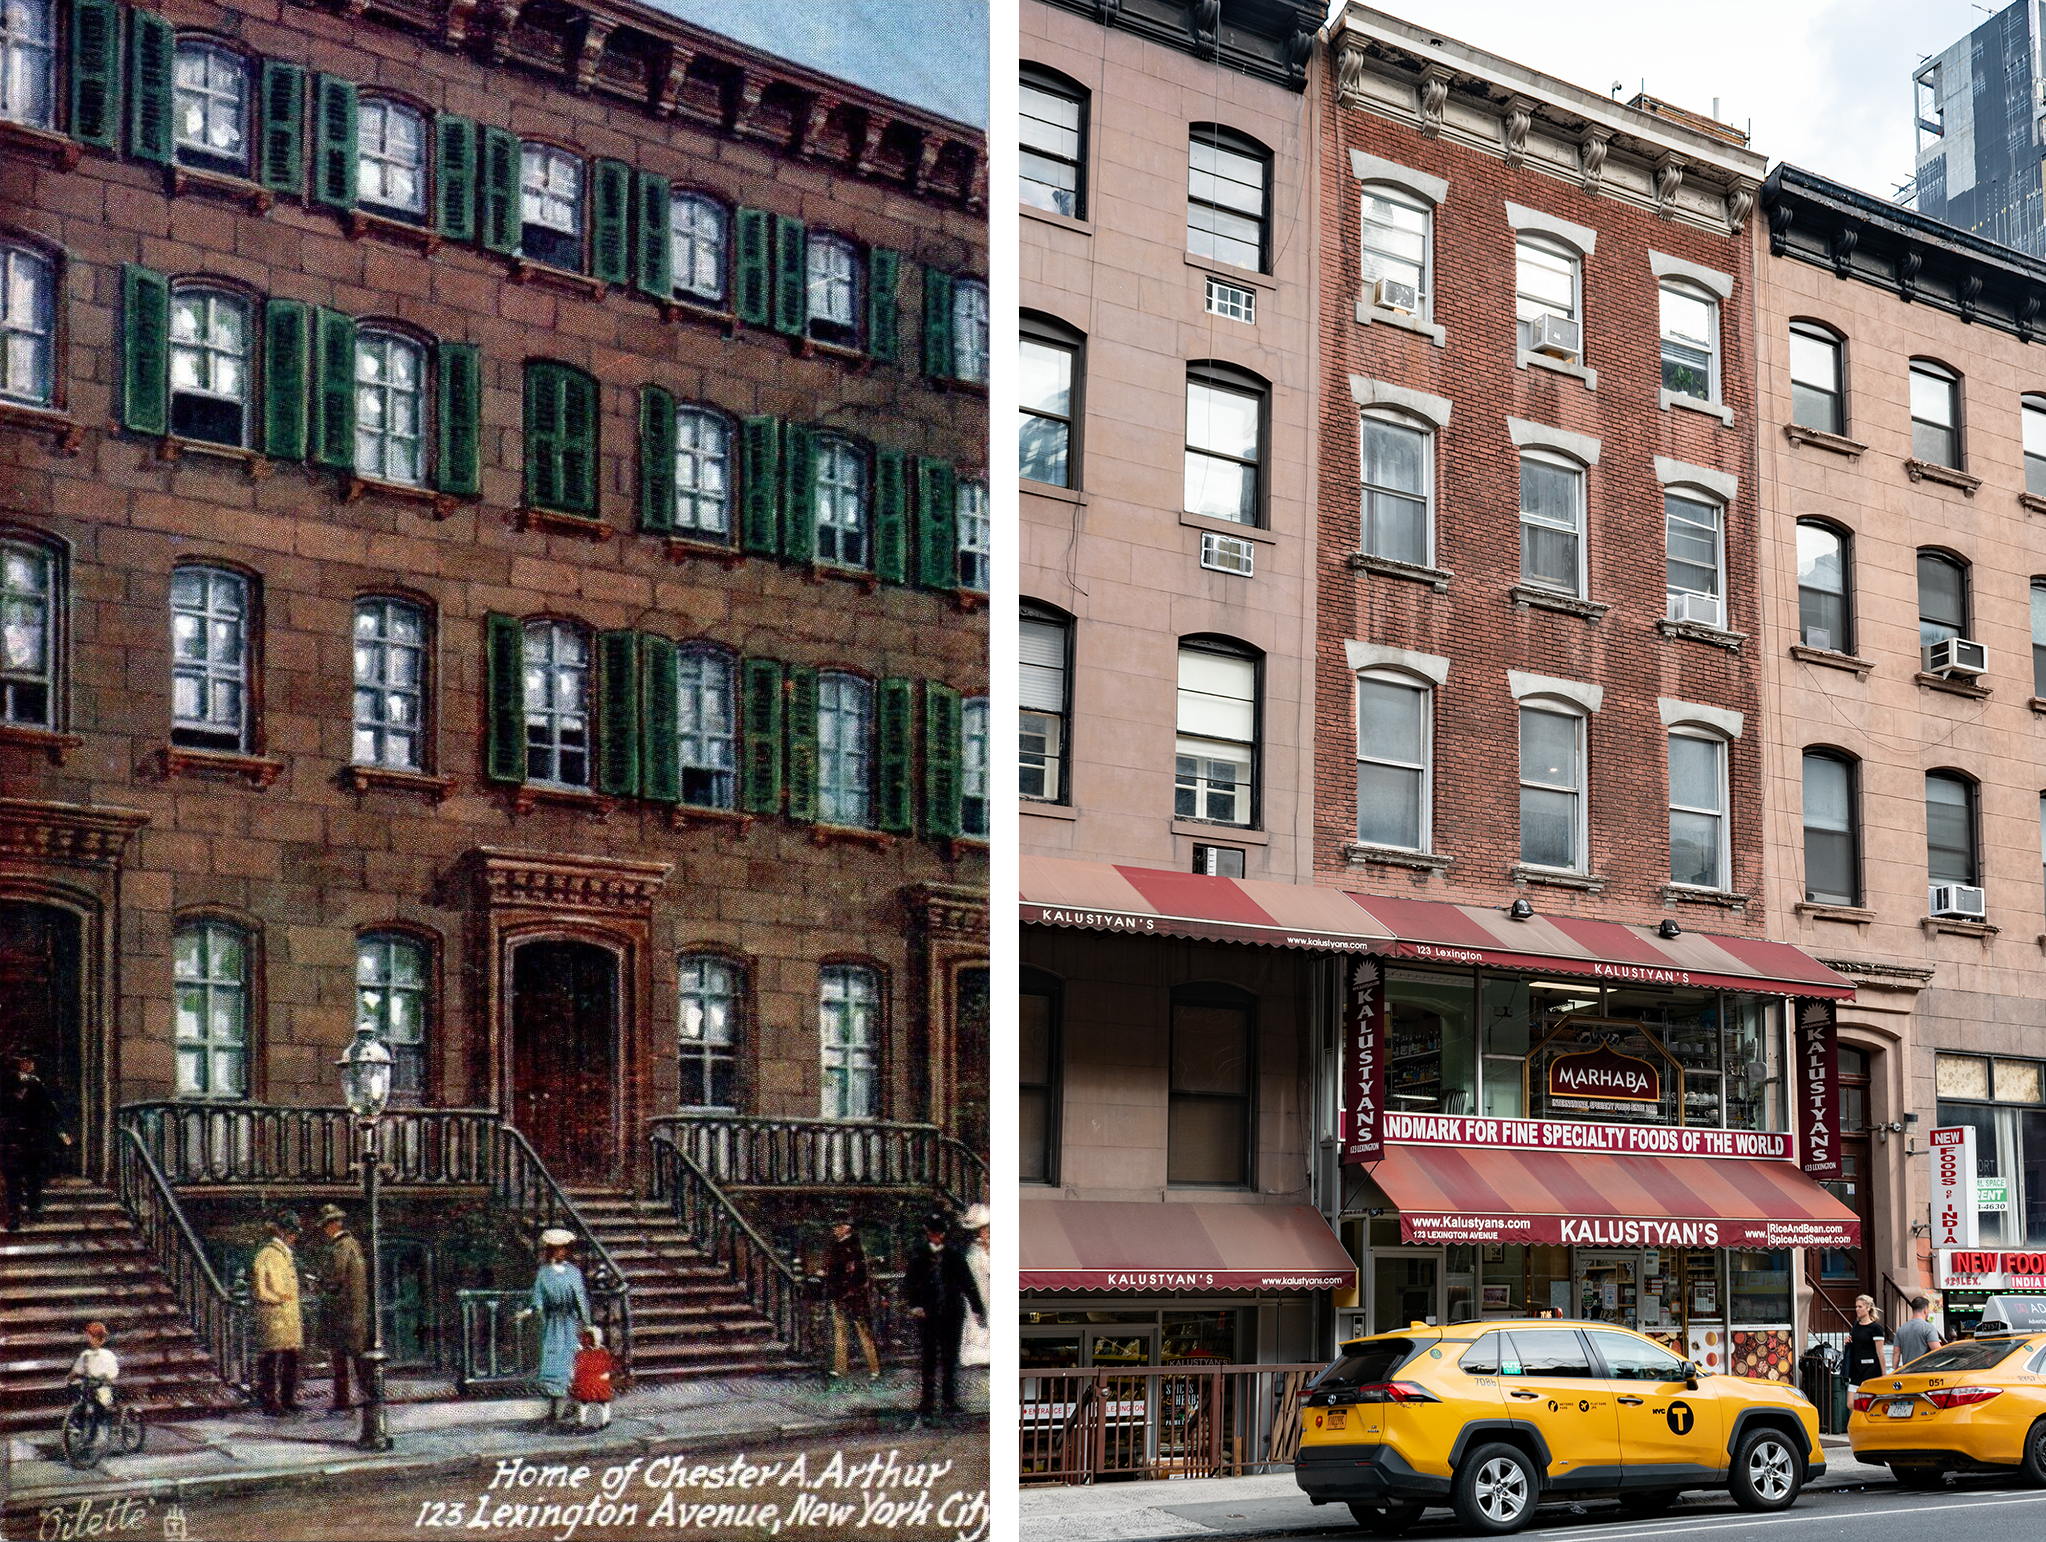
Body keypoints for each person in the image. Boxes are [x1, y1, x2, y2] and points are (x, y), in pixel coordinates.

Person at [902, 1210, 984, 1421]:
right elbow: (910, 1284)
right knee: (929, 1359)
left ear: (944, 1233)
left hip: (951, 1314)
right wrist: (914, 1305)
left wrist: (978, 1309)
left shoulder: (954, 1256)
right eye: (933, 1233)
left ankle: (949, 1400)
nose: (936, 1236)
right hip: (927, 1315)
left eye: (940, 1233)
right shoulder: (918, 1255)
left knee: (950, 1359)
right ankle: (927, 1402)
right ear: (927, 1233)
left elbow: (968, 1284)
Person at [518, 1227, 590, 1428]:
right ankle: (554, 1410)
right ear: (549, 1250)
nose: (561, 1252)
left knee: (573, 1365)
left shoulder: (573, 1272)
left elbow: (580, 1299)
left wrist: (587, 1324)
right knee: (553, 1365)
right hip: (552, 1326)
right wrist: (528, 1312)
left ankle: (576, 1408)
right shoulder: (544, 1273)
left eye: (563, 1249)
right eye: (556, 1249)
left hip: (570, 1323)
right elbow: (538, 1300)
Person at [2, 1053, 70, 1230]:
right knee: (32, 1176)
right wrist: (61, 1131)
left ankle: (14, 1218)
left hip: (9, 1138)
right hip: (30, 1138)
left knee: (13, 1180)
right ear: (23, 1064)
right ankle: (33, 1210)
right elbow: (51, 1110)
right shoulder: (34, 1083)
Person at [316, 1204, 369, 1413]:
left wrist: (320, 1282)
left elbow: (335, 1279)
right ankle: (367, 1397)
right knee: (358, 1359)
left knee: (340, 1360)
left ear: (333, 1225)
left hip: (341, 1312)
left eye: (326, 1225)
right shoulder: (354, 1244)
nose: (325, 1230)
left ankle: (342, 1402)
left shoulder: (340, 1246)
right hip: (355, 1312)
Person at [252, 1213, 304, 1416]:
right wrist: (279, 1298)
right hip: (274, 1316)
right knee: (271, 1360)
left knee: (291, 1358)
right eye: (291, 1233)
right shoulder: (267, 1253)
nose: (294, 1237)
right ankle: (270, 1402)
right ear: (282, 1233)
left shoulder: (285, 1253)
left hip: (288, 1317)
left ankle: (288, 1399)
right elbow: (260, 1289)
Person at [822, 1216, 881, 1383]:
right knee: (840, 1331)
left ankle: (874, 1369)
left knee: (863, 1332)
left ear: (846, 1227)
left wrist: (849, 1289)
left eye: (838, 1226)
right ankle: (840, 1368)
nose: (835, 1230)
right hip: (840, 1294)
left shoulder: (853, 1248)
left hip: (853, 1296)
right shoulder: (838, 1246)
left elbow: (859, 1274)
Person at [67, 1322, 119, 1446]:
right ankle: (83, 1424)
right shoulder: (101, 1355)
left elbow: (75, 1372)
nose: (93, 1339)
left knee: (94, 1403)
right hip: (98, 1387)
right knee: (86, 1398)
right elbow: (114, 1372)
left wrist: (71, 1378)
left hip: (101, 1389)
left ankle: (87, 1428)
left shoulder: (89, 1355)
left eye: (93, 1337)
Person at [957, 1204, 991, 1371]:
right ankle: (977, 1355)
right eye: (984, 1229)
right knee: (977, 1319)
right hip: (978, 1288)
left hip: (986, 1287)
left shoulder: (983, 1249)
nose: (986, 1233)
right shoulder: (974, 1252)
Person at [571, 1325, 616, 1431]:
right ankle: (606, 1420)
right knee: (603, 1401)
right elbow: (608, 1367)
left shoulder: (582, 1353)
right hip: (600, 1381)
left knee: (583, 1401)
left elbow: (577, 1368)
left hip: (585, 1381)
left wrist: (574, 1379)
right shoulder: (603, 1351)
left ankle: (581, 1420)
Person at [1845, 1293, 1886, 1385]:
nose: (1857, 1309)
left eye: (1860, 1307)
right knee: (1851, 1399)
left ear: (1868, 1308)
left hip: (1871, 1369)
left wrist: (1884, 1373)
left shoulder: (1876, 1328)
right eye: (1856, 1307)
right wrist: (1848, 1341)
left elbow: (1880, 1352)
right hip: (1856, 1368)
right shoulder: (1856, 1326)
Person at [1894, 1295, 1943, 1367]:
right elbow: (1937, 1350)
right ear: (1925, 1310)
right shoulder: (1928, 1327)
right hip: (1924, 1371)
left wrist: (1894, 1370)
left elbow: (1896, 1352)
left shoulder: (1901, 1329)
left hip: (1907, 1371)